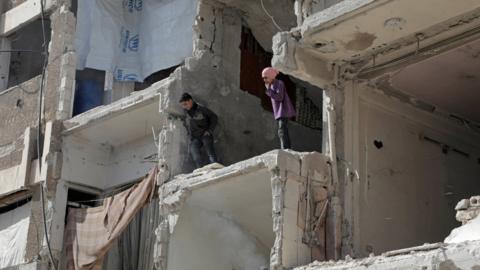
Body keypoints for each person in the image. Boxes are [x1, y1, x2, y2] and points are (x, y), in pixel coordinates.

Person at [179, 93, 219, 169]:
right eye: (183, 105)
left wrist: (210, 130)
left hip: (205, 134)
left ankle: (215, 167)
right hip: (195, 138)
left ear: (190, 100)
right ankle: (201, 170)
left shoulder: (201, 108)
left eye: (185, 104)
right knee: (194, 152)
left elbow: (214, 117)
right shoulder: (186, 112)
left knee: (210, 152)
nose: (184, 107)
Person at [262, 67, 296, 149]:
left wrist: (269, 91)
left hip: (283, 111)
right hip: (280, 112)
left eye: (266, 77)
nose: (264, 80)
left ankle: (285, 148)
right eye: (263, 78)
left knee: (282, 130)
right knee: (282, 130)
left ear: (271, 76)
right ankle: (285, 147)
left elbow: (279, 97)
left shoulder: (279, 83)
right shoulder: (272, 85)